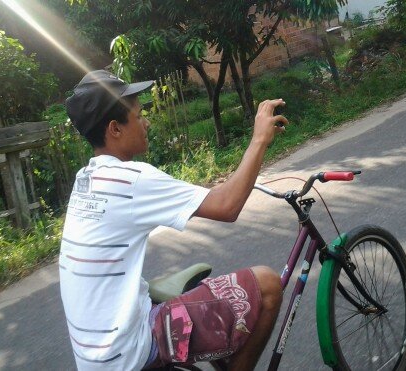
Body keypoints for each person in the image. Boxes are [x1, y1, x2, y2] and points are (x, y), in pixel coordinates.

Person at [61, 70, 288, 371]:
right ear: (114, 129)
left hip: (94, 358)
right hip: (131, 350)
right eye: (139, 116)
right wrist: (259, 139)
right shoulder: (130, 180)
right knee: (268, 283)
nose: (146, 123)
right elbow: (227, 205)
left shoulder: (86, 179)